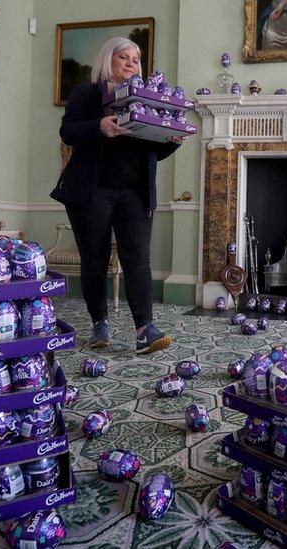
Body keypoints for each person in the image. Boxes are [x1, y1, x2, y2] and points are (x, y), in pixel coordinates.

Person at [52, 37, 185, 352]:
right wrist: (99, 125)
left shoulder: (148, 99)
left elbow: (152, 151)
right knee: (95, 261)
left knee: (138, 259)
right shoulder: (87, 93)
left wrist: (171, 140)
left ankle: (145, 331)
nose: (131, 63)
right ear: (107, 60)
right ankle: (100, 325)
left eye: (136, 60)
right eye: (123, 57)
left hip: (135, 193)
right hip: (90, 190)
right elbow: (68, 131)